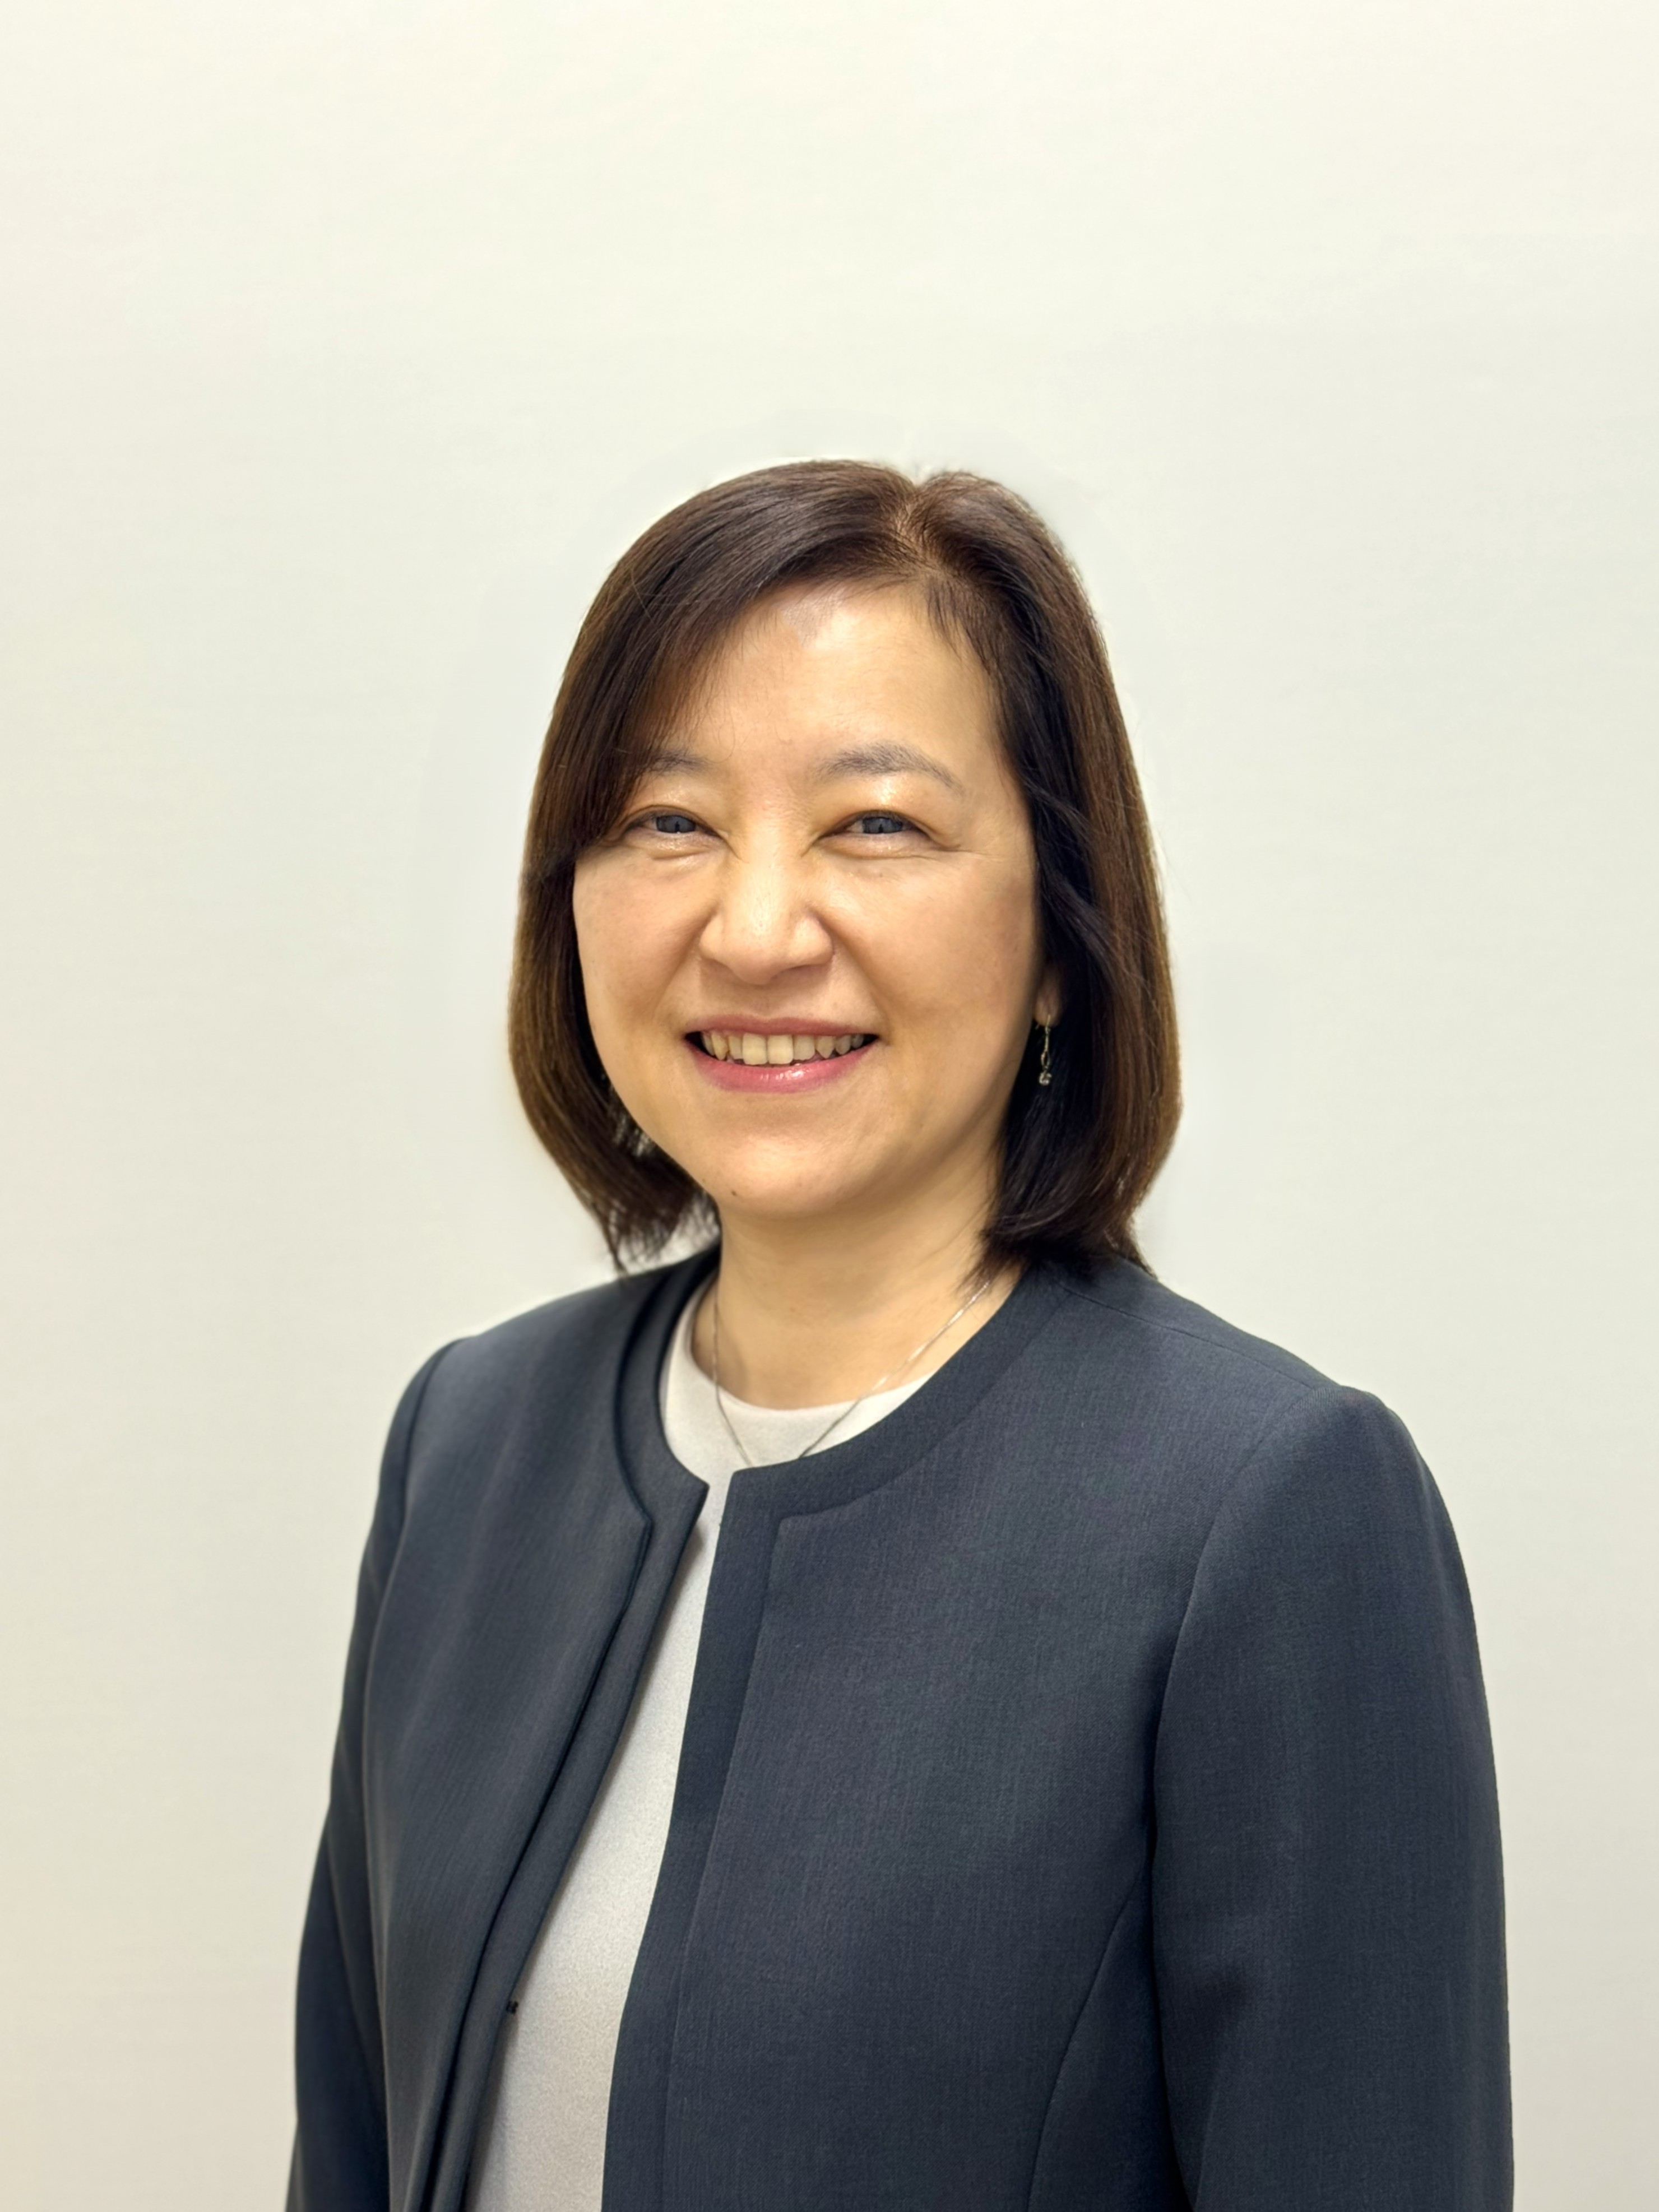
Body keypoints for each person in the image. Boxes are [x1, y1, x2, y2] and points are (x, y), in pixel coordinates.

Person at [287, 461, 1511, 2212]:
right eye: (666, 820)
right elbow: (348, 2147)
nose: (754, 928)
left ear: (1062, 932)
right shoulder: (470, 1445)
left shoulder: (1266, 1512)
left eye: (873, 824)